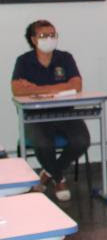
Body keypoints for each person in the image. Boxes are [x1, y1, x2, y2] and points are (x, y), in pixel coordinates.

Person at [11, 20, 90, 201]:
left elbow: (76, 85)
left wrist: (37, 89)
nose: (49, 39)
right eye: (43, 35)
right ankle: (59, 179)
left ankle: (47, 174)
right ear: (33, 39)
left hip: (65, 113)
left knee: (82, 141)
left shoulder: (65, 58)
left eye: (52, 35)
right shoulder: (23, 61)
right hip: (34, 116)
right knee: (43, 144)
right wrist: (59, 88)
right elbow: (17, 90)